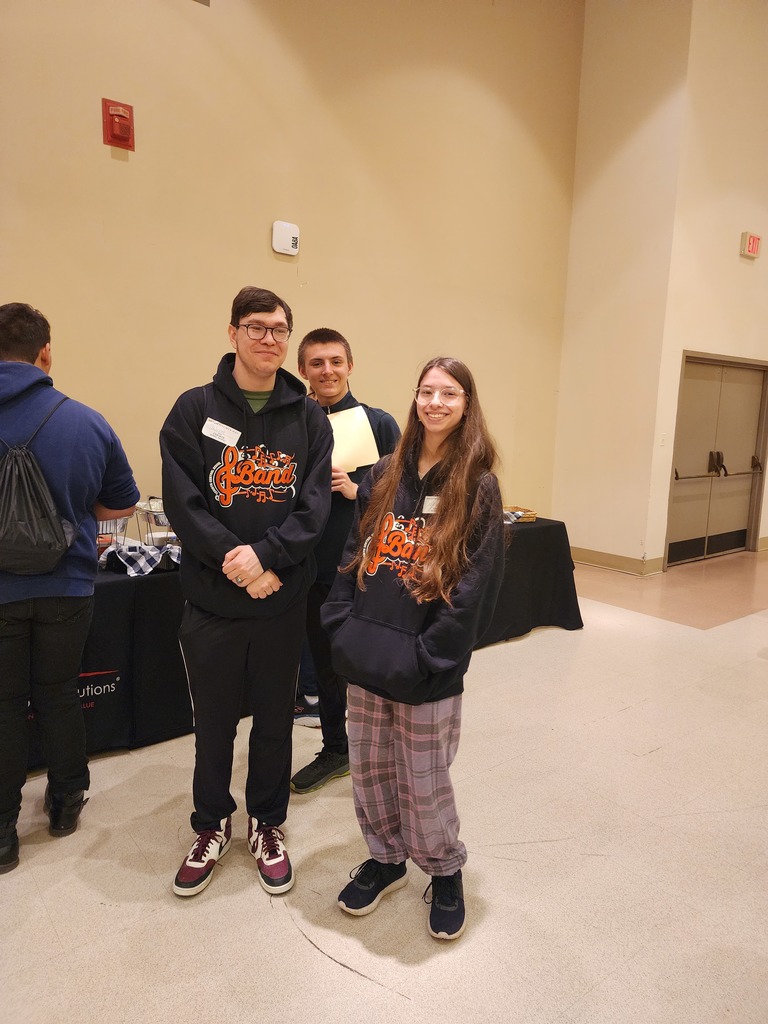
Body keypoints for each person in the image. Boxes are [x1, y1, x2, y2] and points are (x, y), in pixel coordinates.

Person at [321, 356, 504, 940]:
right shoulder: (382, 473)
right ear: (415, 399)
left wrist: (433, 657)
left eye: (449, 393)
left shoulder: (477, 485)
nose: (435, 403)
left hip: (427, 664)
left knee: (423, 778)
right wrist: (340, 623)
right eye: (427, 391)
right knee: (371, 769)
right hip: (368, 653)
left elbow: (475, 588)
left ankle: (444, 869)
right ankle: (385, 858)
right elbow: (353, 553)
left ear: (466, 405)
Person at [160, 287, 333, 898]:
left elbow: (314, 507)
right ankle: (211, 823)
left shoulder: (308, 417)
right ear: (232, 332)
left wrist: (268, 558)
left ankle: (267, 821)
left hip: (281, 598)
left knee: (275, 721)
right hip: (213, 600)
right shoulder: (193, 409)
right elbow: (184, 502)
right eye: (256, 326)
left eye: (279, 329)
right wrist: (240, 563)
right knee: (212, 723)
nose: (268, 338)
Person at [0, 302, 139, 874]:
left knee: (4, 704)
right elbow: (122, 503)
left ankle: (3, 833)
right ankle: (64, 802)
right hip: (69, 584)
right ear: (46, 353)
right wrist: (73, 514)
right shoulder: (85, 420)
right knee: (58, 691)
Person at [290, 328, 400, 793]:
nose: (327, 371)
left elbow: (407, 497)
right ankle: (336, 748)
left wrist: (360, 491)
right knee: (326, 664)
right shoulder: (292, 422)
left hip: (367, 570)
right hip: (311, 568)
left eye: (336, 361)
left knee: (376, 663)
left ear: (350, 366)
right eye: (316, 363)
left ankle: (388, 751)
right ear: (303, 370)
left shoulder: (378, 423)